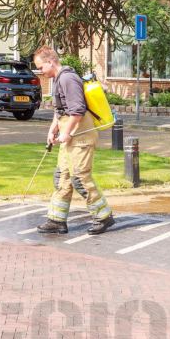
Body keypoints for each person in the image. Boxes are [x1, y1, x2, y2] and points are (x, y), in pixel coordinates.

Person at [33, 47, 115, 235]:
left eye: (40, 67)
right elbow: (61, 109)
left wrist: (66, 132)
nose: (40, 72)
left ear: (50, 62)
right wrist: (53, 128)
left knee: (79, 177)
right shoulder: (58, 79)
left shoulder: (68, 78)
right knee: (62, 176)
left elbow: (77, 110)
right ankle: (56, 221)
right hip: (70, 135)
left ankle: (104, 216)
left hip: (81, 136)